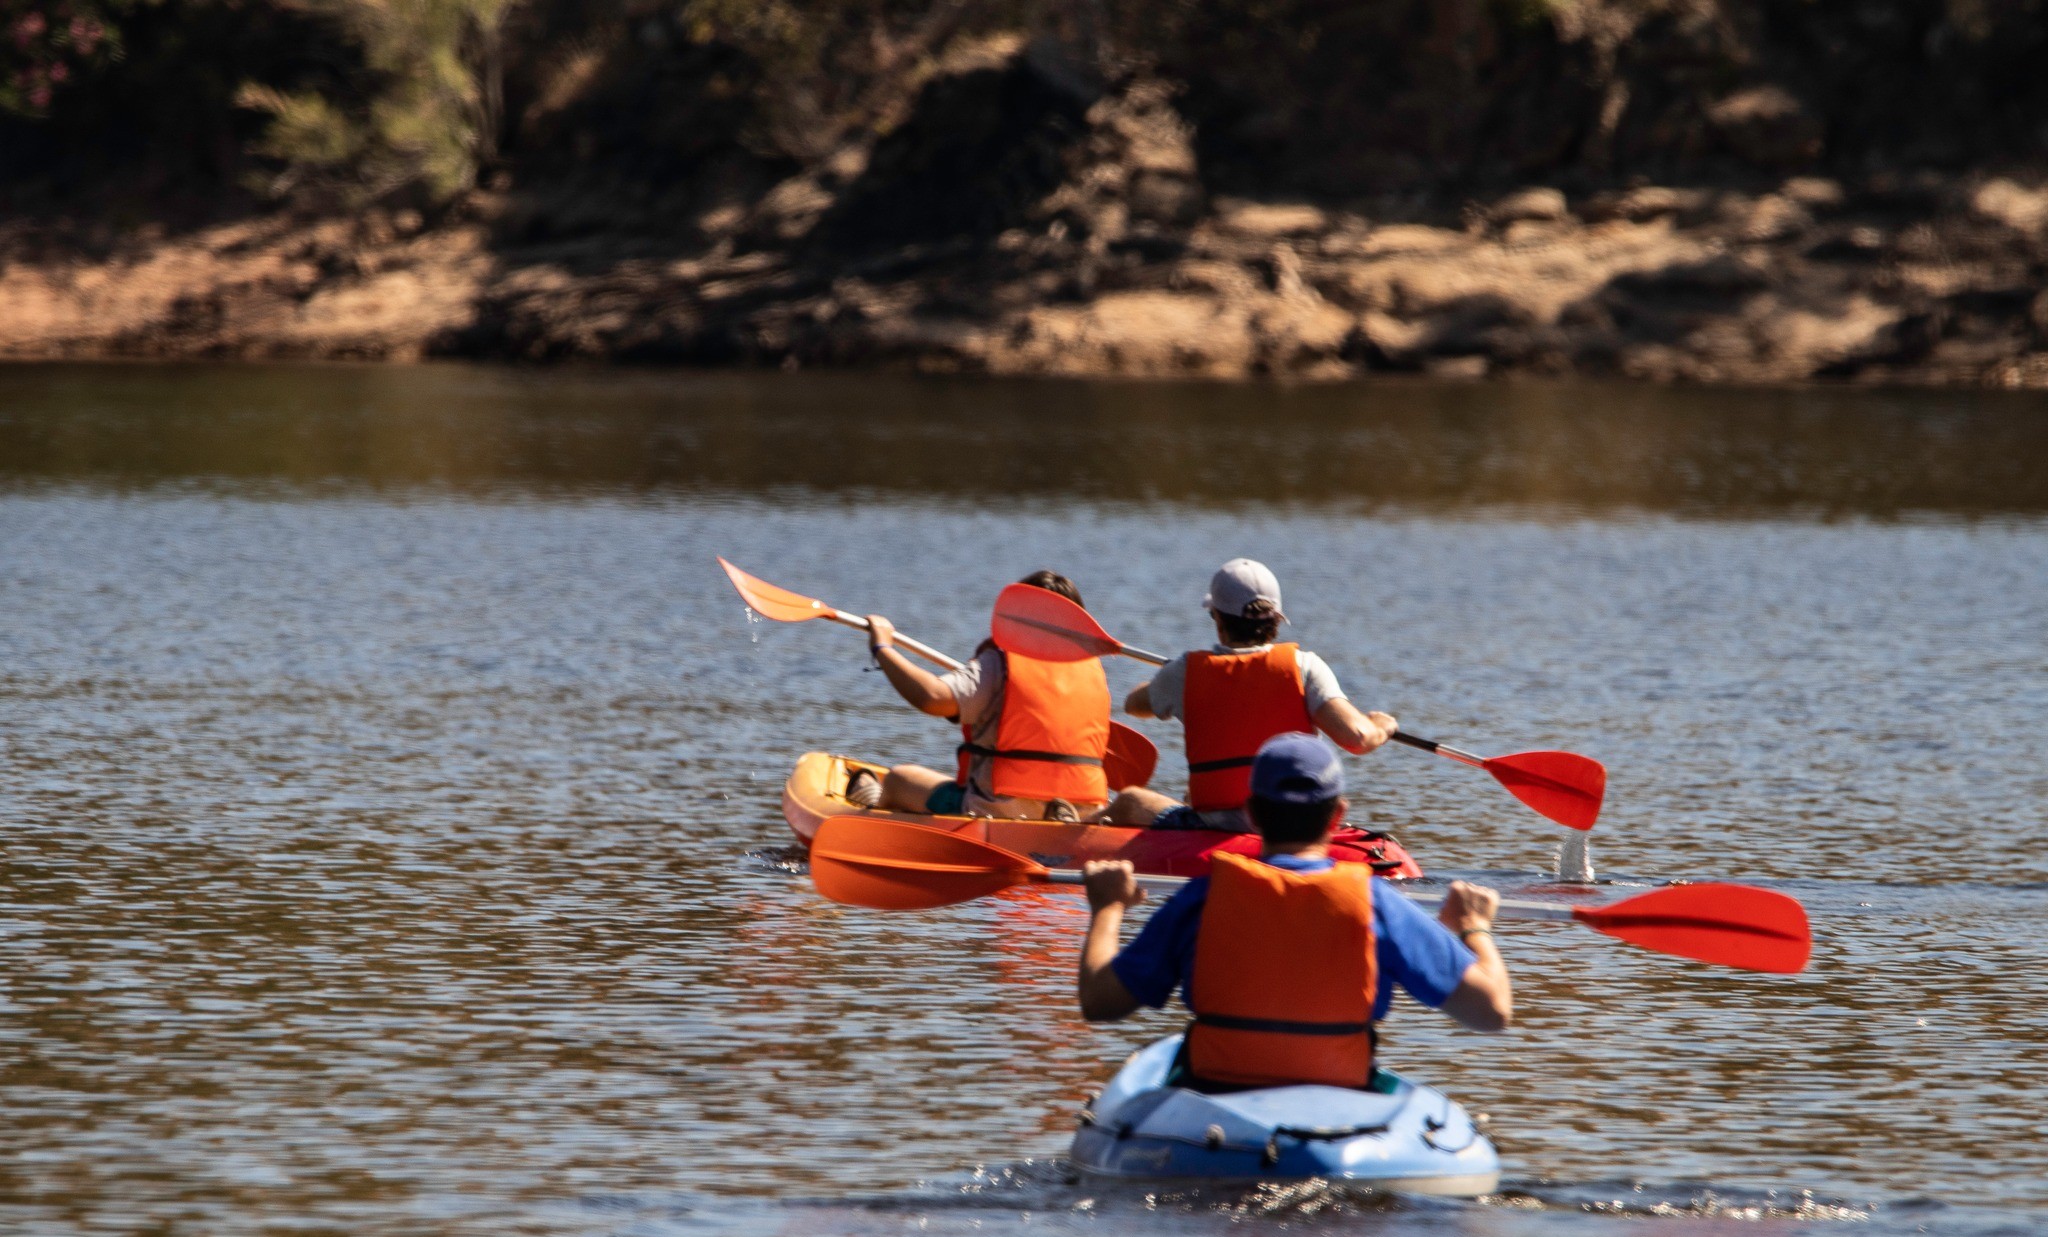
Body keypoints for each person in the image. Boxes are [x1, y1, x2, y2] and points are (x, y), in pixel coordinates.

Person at [1077, 734, 1512, 1090]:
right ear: (1338, 817)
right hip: (1339, 1112)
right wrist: (1474, 927)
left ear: (1251, 814)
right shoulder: (1378, 904)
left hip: (1215, 1108)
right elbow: (1492, 1011)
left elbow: (1101, 1002)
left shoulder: (1201, 898)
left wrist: (1108, 908)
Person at [1109, 557, 1398, 832]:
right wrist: (1381, 726)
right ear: (1276, 620)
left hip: (1213, 826)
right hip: (1294, 826)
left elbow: (1134, 705)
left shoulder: (1184, 672)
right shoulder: (1304, 666)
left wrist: (1168, 677)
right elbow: (1358, 738)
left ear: (1217, 618)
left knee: (1131, 799)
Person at [848, 571, 1112, 822]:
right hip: (1080, 814)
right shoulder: (1094, 676)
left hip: (996, 812)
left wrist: (883, 647)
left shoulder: (998, 664)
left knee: (899, 778)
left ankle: (870, 808)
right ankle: (1060, 818)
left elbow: (932, 697)